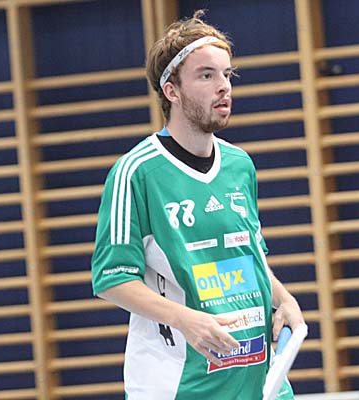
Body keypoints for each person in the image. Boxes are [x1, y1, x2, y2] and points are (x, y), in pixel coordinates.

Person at [91, 10, 305, 399]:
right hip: (179, 384)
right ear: (172, 91)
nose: (224, 86)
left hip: (258, 380)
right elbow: (112, 279)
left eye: (227, 74)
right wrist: (186, 320)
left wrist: (284, 300)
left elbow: (250, 257)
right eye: (206, 75)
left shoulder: (240, 165)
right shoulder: (135, 173)